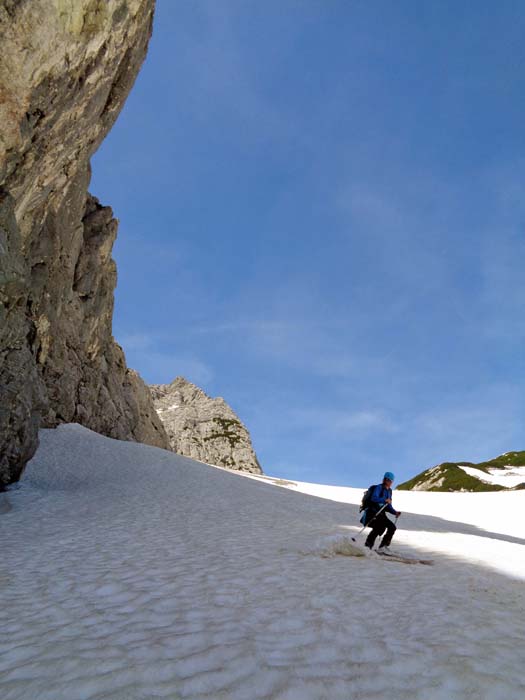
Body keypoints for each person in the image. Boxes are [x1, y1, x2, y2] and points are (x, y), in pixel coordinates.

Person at [364, 471, 402, 552]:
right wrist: (384, 500)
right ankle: (370, 545)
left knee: (390, 527)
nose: (387, 481)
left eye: (389, 480)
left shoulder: (389, 491)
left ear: (391, 482)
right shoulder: (379, 487)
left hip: (381, 513)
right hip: (373, 512)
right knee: (380, 528)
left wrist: (395, 512)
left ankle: (380, 546)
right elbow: (374, 498)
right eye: (386, 479)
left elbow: (388, 506)